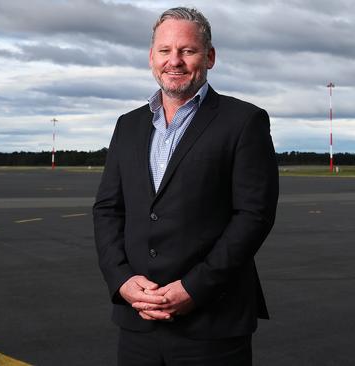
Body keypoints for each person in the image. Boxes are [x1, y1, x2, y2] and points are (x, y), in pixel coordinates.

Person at [93, 6, 278, 366]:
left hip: (211, 324)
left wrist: (193, 288)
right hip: (138, 321)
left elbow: (253, 216)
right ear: (151, 57)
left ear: (209, 57)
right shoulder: (127, 126)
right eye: (165, 51)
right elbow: (108, 210)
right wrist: (123, 282)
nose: (174, 61)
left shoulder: (244, 122)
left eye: (187, 51)